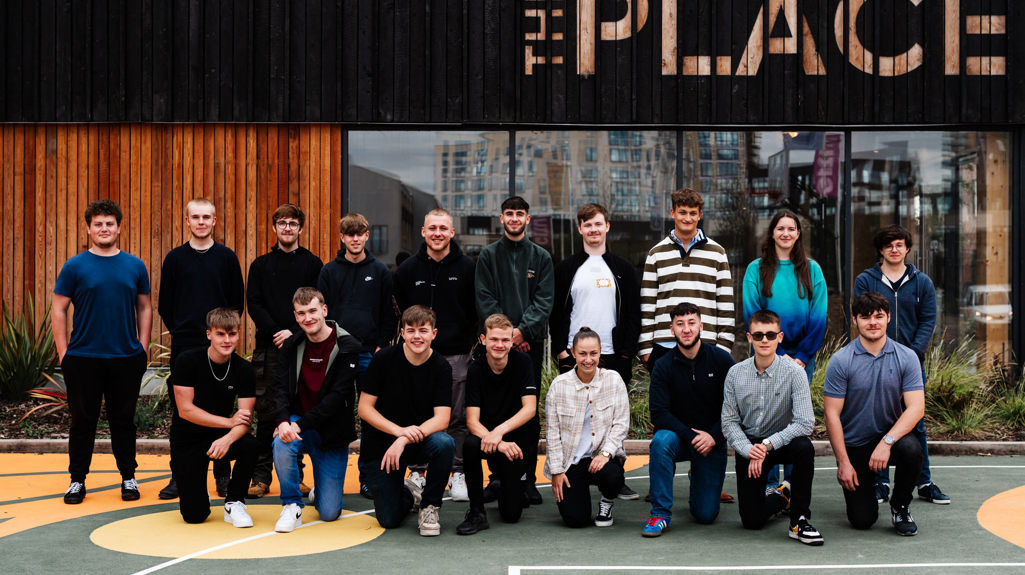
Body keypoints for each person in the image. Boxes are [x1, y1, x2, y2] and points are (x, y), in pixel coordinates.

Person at [52, 199, 151, 504]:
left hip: (125, 357)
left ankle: (128, 478)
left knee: (124, 421)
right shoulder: (75, 266)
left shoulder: (134, 265)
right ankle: (77, 480)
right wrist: (63, 353)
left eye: (110, 223)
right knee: (83, 421)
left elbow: (145, 307)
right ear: (88, 228)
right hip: (83, 358)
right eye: (98, 224)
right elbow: (59, 309)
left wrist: (143, 347)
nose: (104, 228)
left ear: (119, 228)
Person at [550, 202, 641, 501]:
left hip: (614, 355)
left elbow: (632, 313)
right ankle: (573, 470)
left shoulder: (622, 269)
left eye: (598, 224)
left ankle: (616, 475)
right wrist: (562, 352)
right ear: (580, 229)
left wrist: (626, 353)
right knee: (578, 418)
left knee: (614, 419)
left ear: (607, 227)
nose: (593, 230)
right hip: (576, 356)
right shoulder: (567, 268)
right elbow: (556, 313)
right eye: (587, 225)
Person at [854, 224, 948, 505]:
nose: (894, 250)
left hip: (910, 363)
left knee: (915, 422)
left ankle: (924, 481)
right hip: (874, 361)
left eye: (899, 245)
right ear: (881, 250)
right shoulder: (866, 279)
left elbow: (928, 320)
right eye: (888, 245)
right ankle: (881, 482)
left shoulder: (922, 282)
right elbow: (861, 315)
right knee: (880, 419)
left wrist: (912, 354)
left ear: (907, 249)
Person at [158, 197, 245, 500]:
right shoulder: (175, 259)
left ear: (214, 221)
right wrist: (184, 332)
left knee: (221, 410)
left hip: (220, 348)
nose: (201, 222)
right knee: (183, 415)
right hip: (186, 347)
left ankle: (222, 475)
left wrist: (221, 336)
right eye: (195, 217)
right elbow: (165, 305)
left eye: (207, 217)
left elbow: (236, 302)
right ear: (187, 221)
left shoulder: (226, 258)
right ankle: (179, 476)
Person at [824, 292, 925, 536]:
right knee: (862, 520)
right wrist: (843, 463)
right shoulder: (841, 361)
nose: (873, 322)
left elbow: (916, 408)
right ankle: (865, 489)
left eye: (879, 316)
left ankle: (900, 506)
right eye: (866, 317)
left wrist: (887, 441)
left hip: (890, 439)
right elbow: (832, 415)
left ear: (888, 318)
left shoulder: (906, 357)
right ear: (855, 320)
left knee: (912, 449)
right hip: (856, 444)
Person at [393, 208, 477, 502]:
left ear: (452, 233)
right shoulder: (407, 271)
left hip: (455, 355)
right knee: (418, 415)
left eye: (444, 228)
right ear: (423, 232)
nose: (438, 233)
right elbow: (400, 309)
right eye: (432, 228)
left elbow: (474, 309)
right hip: (417, 358)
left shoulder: (468, 268)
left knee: (456, 418)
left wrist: (464, 340)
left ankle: (457, 473)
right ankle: (417, 471)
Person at [475, 196, 554, 506]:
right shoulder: (488, 256)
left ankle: (527, 479)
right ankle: (496, 477)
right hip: (496, 346)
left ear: (527, 218)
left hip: (528, 346)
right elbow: (484, 298)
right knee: (495, 409)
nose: (514, 218)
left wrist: (521, 333)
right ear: (501, 217)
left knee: (528, 416)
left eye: (520, 213)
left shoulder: (542, 257)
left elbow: (544, 301)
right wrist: (505, 336)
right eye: (509, 213)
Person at [742, 209, 827, 490]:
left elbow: (819, 316)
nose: (786, 233)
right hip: (766, 352)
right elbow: (752, 311)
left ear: (798, 234)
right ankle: (767, 482)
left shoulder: (812, 269)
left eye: (791, 229)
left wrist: (801, 356)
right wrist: (775, 354)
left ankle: (791, 483)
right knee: (766, 416)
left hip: (803, 357)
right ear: (772, 233)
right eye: (780, 228)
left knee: (795, 419)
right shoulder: (756, 269)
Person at [721, 310, 822, 545]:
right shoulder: (735, 374)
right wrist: (749, 449)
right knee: (752, 521)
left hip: (782, 442)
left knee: (804, 448)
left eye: (770, 334)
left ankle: (799, 520)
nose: (764, 340)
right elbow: (729, 422)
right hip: (750, 445)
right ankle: (782, 495)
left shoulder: (795, 372)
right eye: (758, 335)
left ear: (780, 337)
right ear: (749, 338)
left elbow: (805, 422)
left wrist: (767, 445)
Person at [245, 204, 323, 498]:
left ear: (301, 228)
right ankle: (261, 476)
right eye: (282, 223)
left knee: (299, 410)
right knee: (266, 414)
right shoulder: (261, 265)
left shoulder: (313, 265)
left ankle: (296, 475)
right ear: (274, 228)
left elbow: (317, 304)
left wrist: (296, 331)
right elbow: (254, 303)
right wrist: (279, 332)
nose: (287, 228)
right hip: (270, 347)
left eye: (292, 223)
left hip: (304, 346)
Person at [318, 212, 397, 498]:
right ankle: (328, 477)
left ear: (366, 236)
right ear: (342, 237)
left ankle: (368, 476)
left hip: (368, 355)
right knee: (334, 413)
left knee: (370, 418)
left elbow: (389, 314)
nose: (354, 238)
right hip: (337, 355)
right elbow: (322, 314)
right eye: (348, 234)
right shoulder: (329, 271)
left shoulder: (379, 271)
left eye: (359, 233)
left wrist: (379, 346)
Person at [358, 305, 456, 536]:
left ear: (434, 333)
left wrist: (404, 439)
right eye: (411, 330)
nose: (417, 336)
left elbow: (442, 419)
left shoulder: (441, 366)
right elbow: (364, 408)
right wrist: (398, 432)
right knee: (389, 519)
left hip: (418, 442)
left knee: (445, 444)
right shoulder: (383, 359)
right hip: (383, 446)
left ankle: (429, 506)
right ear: (402, 333)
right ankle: (408, 493)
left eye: (423, 330)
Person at [271, 287, 362, 533]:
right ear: (296, 316)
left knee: (330, 512)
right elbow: (279, 387)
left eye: (312, 311)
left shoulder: (347, 345)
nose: (307, 318)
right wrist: (282, 422)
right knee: (281, 442)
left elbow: (336, 398)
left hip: (330, 429)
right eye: (301, 313)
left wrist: (297, 425)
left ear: (324, 310)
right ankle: (291, 504)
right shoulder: (292, 344)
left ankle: (320, 491)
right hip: (298, 420)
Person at [641, 303, 735, 537]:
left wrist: (713, 437)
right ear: (672, 329)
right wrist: (693, 436)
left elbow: (735, 409)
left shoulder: (722, 361)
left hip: (712, 441)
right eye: (680, 324)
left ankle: (699, 476)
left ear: (701, 326)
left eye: (691, 323)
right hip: (680, 439)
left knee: (705, 515)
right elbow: (659, 414)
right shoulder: (663, 365)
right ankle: (660, 514)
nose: (686, 329)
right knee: (661, 441)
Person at [170, 308, 259, 527]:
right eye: (220, 334)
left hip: (220, 436)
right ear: (209, 334)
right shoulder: (187, 360)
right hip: (187, 438)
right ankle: (197, 494)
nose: (227, 340)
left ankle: (234, 502)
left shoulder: (244, 369)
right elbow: (185, 410)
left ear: (239, 335)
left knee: (251, 445)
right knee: (194, 516)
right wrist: (228, 423)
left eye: (232, 334)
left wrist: (227, 438)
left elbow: (245, 420)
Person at [456, 314, 538, 535]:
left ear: (512, 341)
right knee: (470, 445)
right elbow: (472, 421)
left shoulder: (523, 363)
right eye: (494, 339)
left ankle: (505, 485)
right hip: (487, 440)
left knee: (511, 515)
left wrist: (500, 434)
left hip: (514, 441)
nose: (499, 345)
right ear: (483, 339)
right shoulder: (476, 368)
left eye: (504, 340)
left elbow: (530, 408)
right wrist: (497, 442)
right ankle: (476, 511)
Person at [639, 188, 734, 370]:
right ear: (672, 213)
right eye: (682, 212)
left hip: (706, 344)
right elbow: (648, 305)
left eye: (693, 213)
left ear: (700, 215)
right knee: (665, 399)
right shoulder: (656, 254)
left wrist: (724, 347)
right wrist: (645, 347)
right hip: (664, 345)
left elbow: (725, 303)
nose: (687, 218)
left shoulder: (718, 253)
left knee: (704, 399)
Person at [544, 327, 630, 528]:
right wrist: (557, 471)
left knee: (612, 477)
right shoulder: (559, 385)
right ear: (573, 353)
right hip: (571, 462)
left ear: (600, 351)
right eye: (582, 354)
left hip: (601, 458)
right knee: (576, 520)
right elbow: (552, 433)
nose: (588, 359)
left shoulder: (613, 380)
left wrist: (606, 454)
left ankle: (606, 502)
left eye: (593, 353)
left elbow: (621, 423)